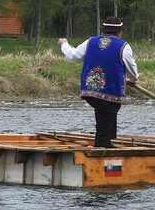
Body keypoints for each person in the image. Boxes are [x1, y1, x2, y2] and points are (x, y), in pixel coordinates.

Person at [58, 17, 139, 148]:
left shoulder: (91, 41)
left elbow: (73, 56)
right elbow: (131, 68)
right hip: (111, 92)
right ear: (120, 31)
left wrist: (64, 44)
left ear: (104, 30)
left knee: (104, 117)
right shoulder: (123, 46)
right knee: (107, 117)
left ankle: (108, 143)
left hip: (90, 90)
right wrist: (134, 79)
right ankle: (104, 147)